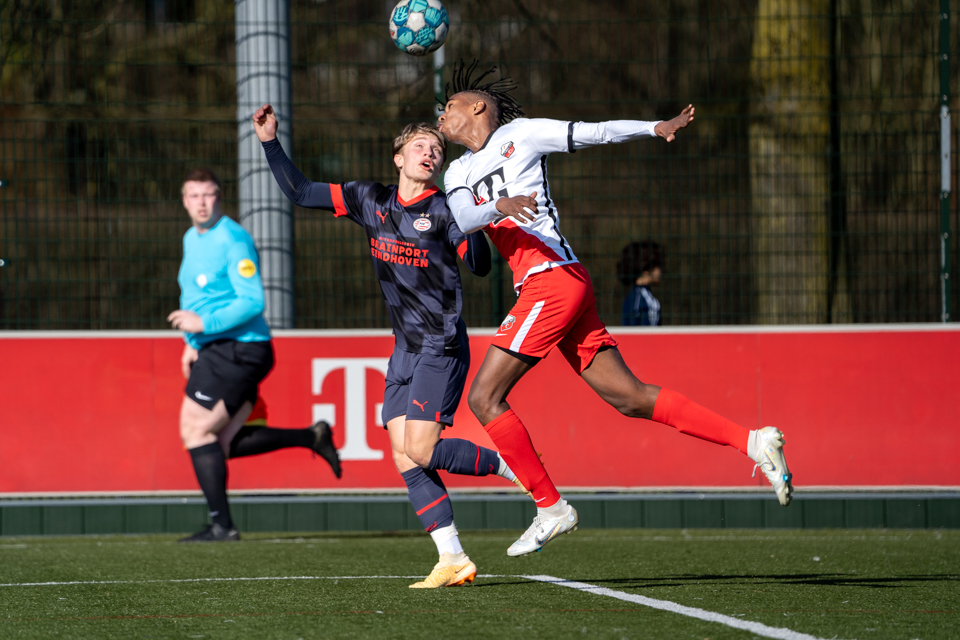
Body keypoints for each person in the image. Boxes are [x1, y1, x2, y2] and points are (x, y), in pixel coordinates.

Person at [437, 61, 793, 557]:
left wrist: (655, 127)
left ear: (477, 106)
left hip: (552, 281)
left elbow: (596, 132)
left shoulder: (522, 135)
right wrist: (498, 207)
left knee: (483, 398)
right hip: (553, 287)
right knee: (629, 397)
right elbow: (463, 217)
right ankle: (752, 442)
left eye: (448, 107)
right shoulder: (456, 170)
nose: (441, 116)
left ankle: (550, 507)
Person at [252, 105, 527, 588]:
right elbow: (300, 192)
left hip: (440, 345)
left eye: (437, 148)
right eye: (421, 145)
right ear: (398, 157)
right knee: (404, 456)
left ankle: (514, 464)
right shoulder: (369, 199)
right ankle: (453, 559)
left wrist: (480, 215)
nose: (431, 152)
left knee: (421, 449)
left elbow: (480, 265)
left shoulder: (446, 210)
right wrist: (270, 141)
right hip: (404, 349)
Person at [168, 169, 341, 543]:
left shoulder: (233, 239)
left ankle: (222, 526)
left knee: (195, 430)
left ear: (219, 198)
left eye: (208, 194)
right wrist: (191, 343)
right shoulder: (190, 237)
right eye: (193, 195)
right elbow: (196, 298)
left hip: (240, 348)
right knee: (221, 441)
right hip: (217, 348)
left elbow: (253, 301)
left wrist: (203, 324)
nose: (201, 202)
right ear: (184, 200)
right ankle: (311, 437)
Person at [618, 240, 662, 326]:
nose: (661, 270)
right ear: (646, 269)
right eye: (658, 265)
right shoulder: (644, 300)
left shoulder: (631, 297)